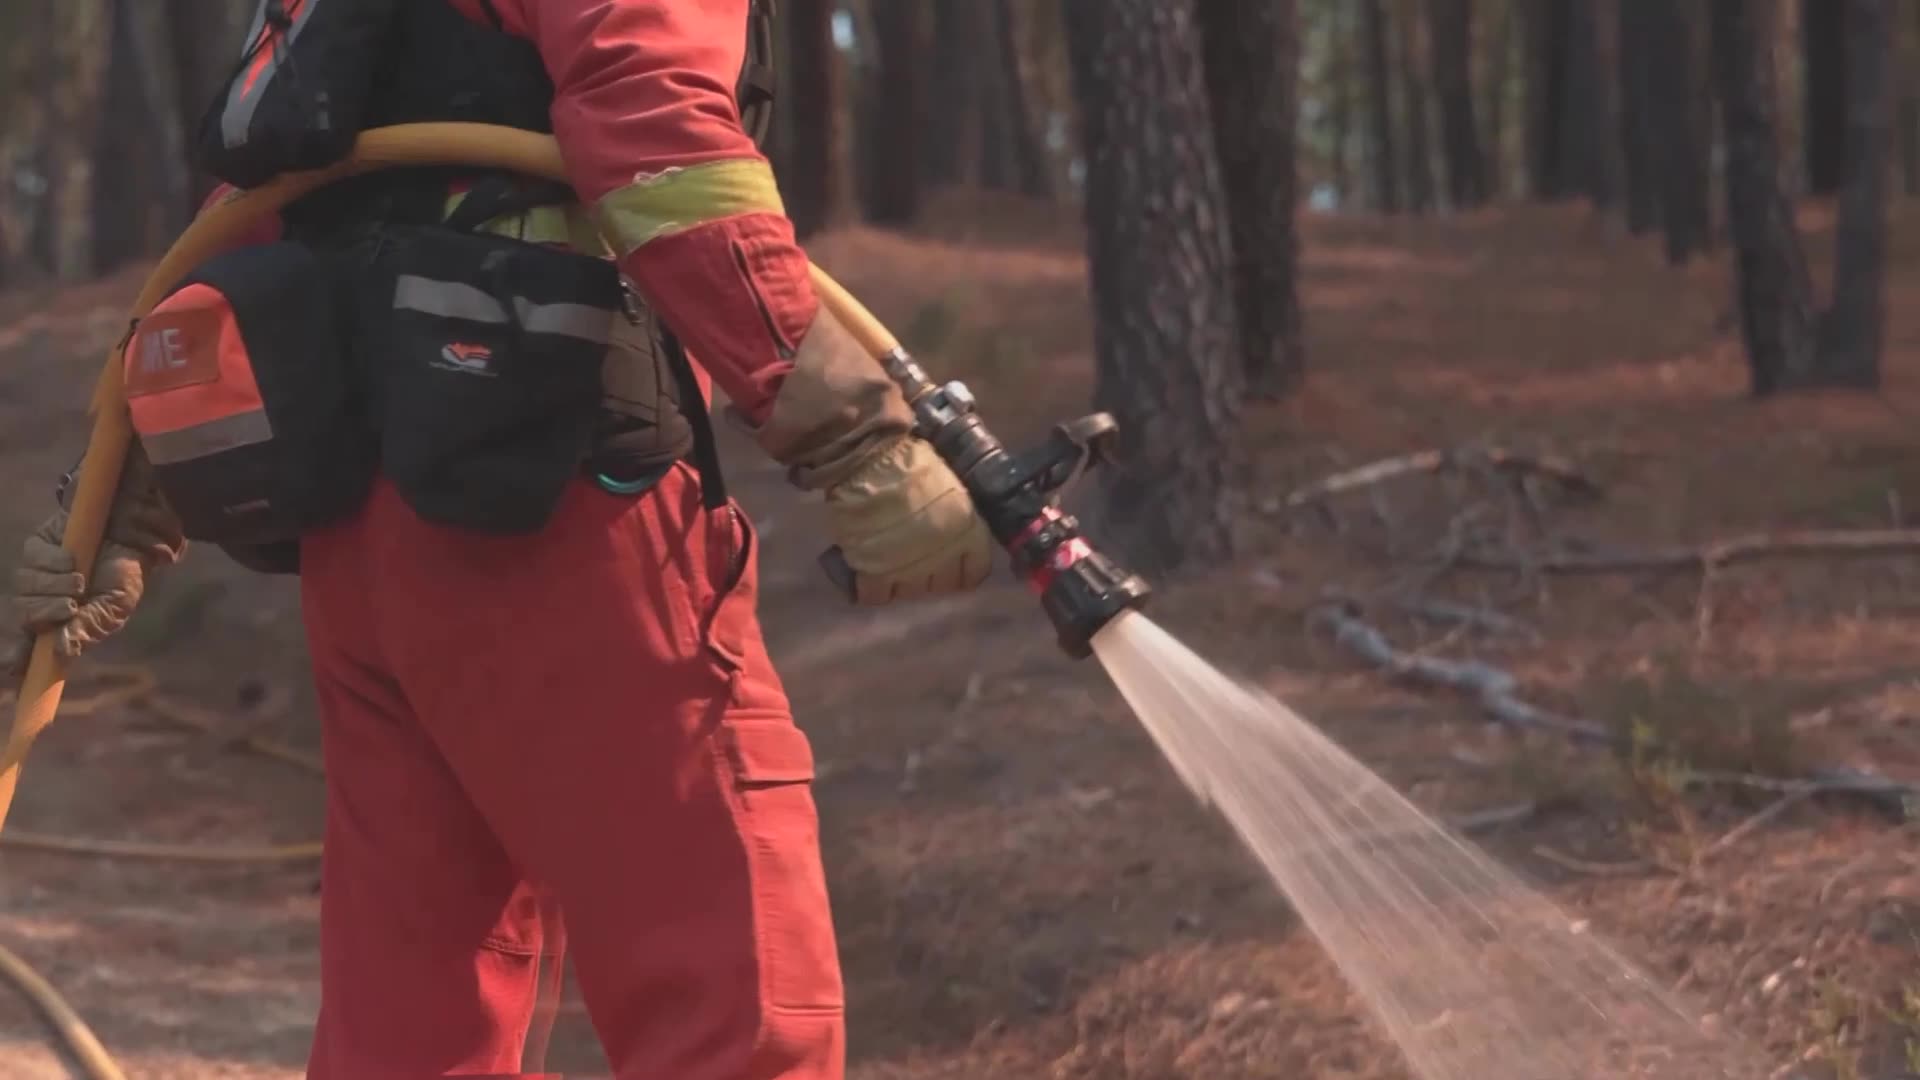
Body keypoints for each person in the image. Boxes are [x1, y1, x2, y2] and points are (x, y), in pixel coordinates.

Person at [7, 1, 994, 1077]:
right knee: (731, 998)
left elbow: (264, 202)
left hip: (366, 542)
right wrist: (852, 433)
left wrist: (125, 500)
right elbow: (658, 136)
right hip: (554, 508)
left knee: (411, 1018)